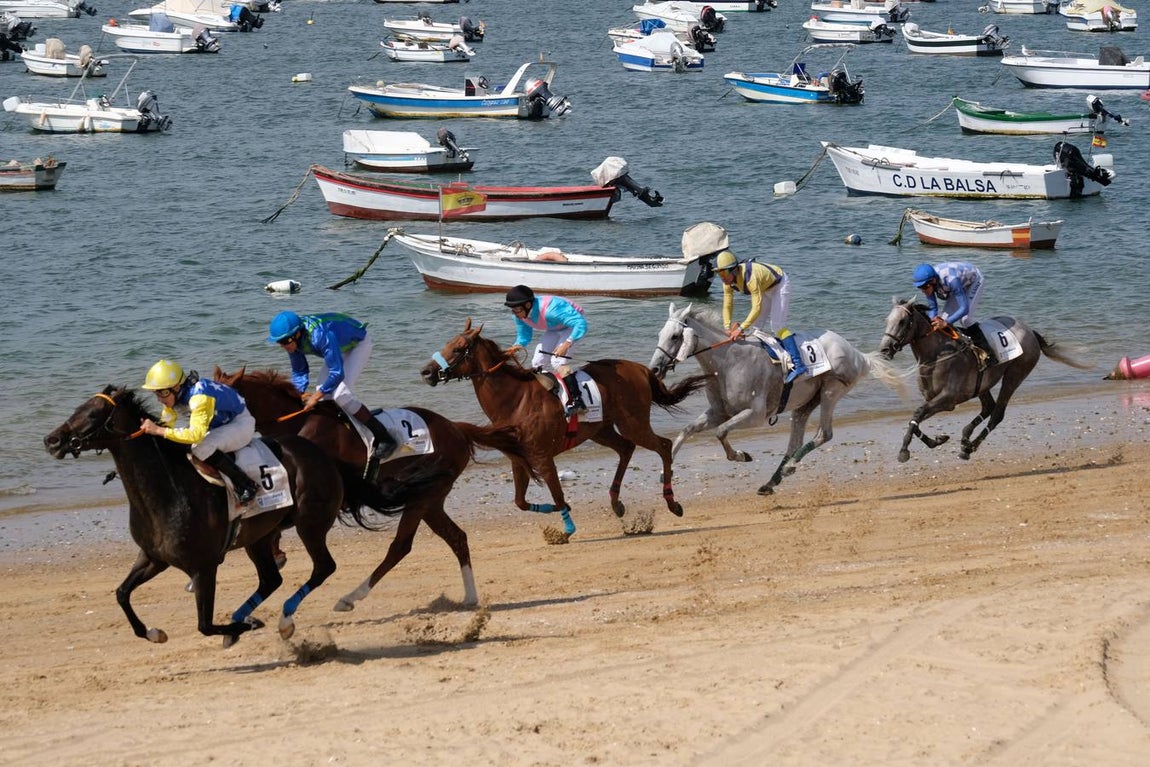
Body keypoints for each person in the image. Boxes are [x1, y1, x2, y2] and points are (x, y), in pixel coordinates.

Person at [266, 311, 396, 478]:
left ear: (297, 334)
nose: (283, 346)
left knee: (340, 394)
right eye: (279, 343)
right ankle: (339, 433)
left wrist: (316, 395)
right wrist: (298, 394)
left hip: (358, 344)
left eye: (285, 341)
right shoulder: (293, 342)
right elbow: (299, 371)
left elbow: (337, 372)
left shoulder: (319, 335)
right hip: (338, 347)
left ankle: (384, 437)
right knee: (326, 394)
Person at [139, 359, 260, 504]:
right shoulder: (172, 395)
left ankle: (246, 484)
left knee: (200, 448)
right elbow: (167, 423)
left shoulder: (199, 398)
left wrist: (158, 430)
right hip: (220, 425)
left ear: (176, 388)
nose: (159, 399)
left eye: (162, 393)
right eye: (156, 393)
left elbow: (195, 435)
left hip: (240, 424)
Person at [714, 250, 807, 384]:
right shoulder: (727, 283)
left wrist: (739, 329)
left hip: (779, 285)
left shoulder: (751, 277)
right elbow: (727, 305)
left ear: (733, 270)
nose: (721, 277)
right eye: (719, 273)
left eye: (723, 273)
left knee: (777, 327)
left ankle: (798, 365)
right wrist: (727, 327)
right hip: (764, 289)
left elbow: (756, 308)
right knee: (755, 329)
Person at [503, 284, 588, 417]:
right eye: (512, 310)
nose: (515, 314)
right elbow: (524, 336)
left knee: (557, 361)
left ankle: (578, 401)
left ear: (528, 305)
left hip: (573, 326)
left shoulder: (550, 310)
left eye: (517, 310)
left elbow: (580, 323)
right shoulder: (519, 315)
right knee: (537, 362)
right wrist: (515, 347)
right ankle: (552, 395)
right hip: (554, 328)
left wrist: (567, 344)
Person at [912, 262, 985, 333]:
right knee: (944, 318)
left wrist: (946, 322)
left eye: (924, 287)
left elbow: (964, 308)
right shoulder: (929, 283)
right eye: (920, 287)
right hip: (959, 285)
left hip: (974, 280)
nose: (923, 290)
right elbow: (933, 308)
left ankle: (982, 341)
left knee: (965, 319)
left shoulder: (951, 280)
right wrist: (931, 322)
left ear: (933, 281)